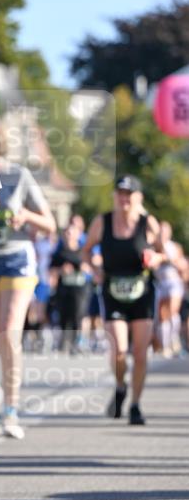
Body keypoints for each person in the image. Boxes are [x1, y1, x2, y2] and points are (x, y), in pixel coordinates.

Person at [0, 115, 56, 440]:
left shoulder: (18, 176)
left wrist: (26, 215)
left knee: (7, 334)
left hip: (16, 261)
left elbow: (50, 225)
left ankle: (11, 409)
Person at [81, 175, 164, 425]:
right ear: (115, 197)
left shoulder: (148, 223)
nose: (124, 198)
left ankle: (136, 405)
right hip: (112, 289)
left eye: (129, 194)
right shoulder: (102, 222)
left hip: (142, 290)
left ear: (138, 198)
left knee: (139, 353)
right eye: (120, 193)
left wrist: (154, 257)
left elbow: (163, 252)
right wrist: (94, 271)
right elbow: (85, 251)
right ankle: (120, 386)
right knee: (119, 350)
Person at [49, 218, 92, 353]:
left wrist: (83, 268)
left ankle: (78, 341)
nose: (68, 235)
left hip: (80, 289)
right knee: (63, 315)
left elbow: (91, 267)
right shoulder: (59, 253)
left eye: (71, 233)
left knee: (78, 314)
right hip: (64, 288)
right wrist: (62, 270)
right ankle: (64, 341)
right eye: (66, 233)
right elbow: (51, 270)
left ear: (78, 234)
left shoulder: (82, 251)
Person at [154, 221, 186, 358]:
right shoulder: (155, 248)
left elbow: (183, 266)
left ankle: (174, 340)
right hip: (161, 284)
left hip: (174, 283)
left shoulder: (175, 247)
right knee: (162, 315)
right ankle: (165, 345)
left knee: (172, 312)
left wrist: (171, 259)